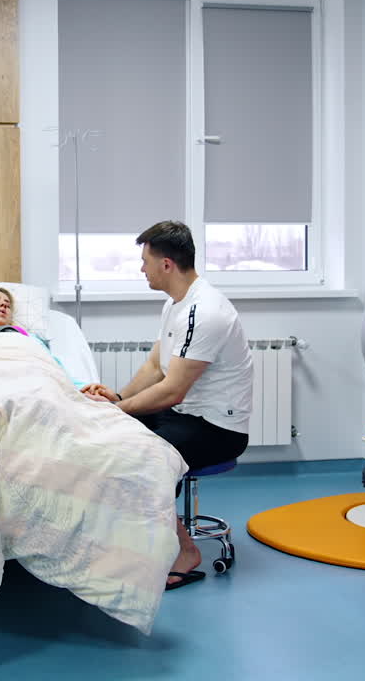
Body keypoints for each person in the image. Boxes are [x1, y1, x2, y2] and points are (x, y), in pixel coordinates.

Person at [80, 221, 253, 590]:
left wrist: (117, 411)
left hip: (218, 429)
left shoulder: (205, 312)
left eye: (145, 261)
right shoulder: (176, 304)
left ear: (167, 265)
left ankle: (184, 552)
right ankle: (145, 540)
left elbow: (173, 389)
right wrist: (119, 400)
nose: (141, 268)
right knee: (107, 437)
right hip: (185, 413)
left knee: (136, 455)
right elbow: (155, 367)